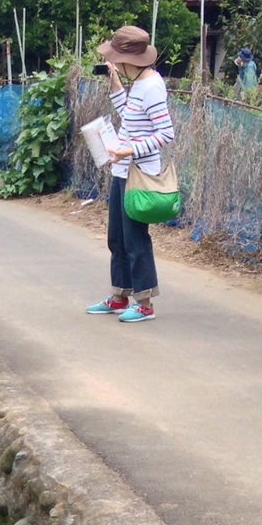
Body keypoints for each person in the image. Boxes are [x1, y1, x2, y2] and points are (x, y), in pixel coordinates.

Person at [85, 25, 175, 324]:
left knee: (135, 239)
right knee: (117, 238)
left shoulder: (152, 87)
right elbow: (128, 113)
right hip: (123, 171)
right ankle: (120, 295)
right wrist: (113, 80)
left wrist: (130, 150)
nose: (117, 66)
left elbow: (166, 133)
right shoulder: (137, 84)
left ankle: (145, 302)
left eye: (118, 62)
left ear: (130, 61)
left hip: (139, 174)